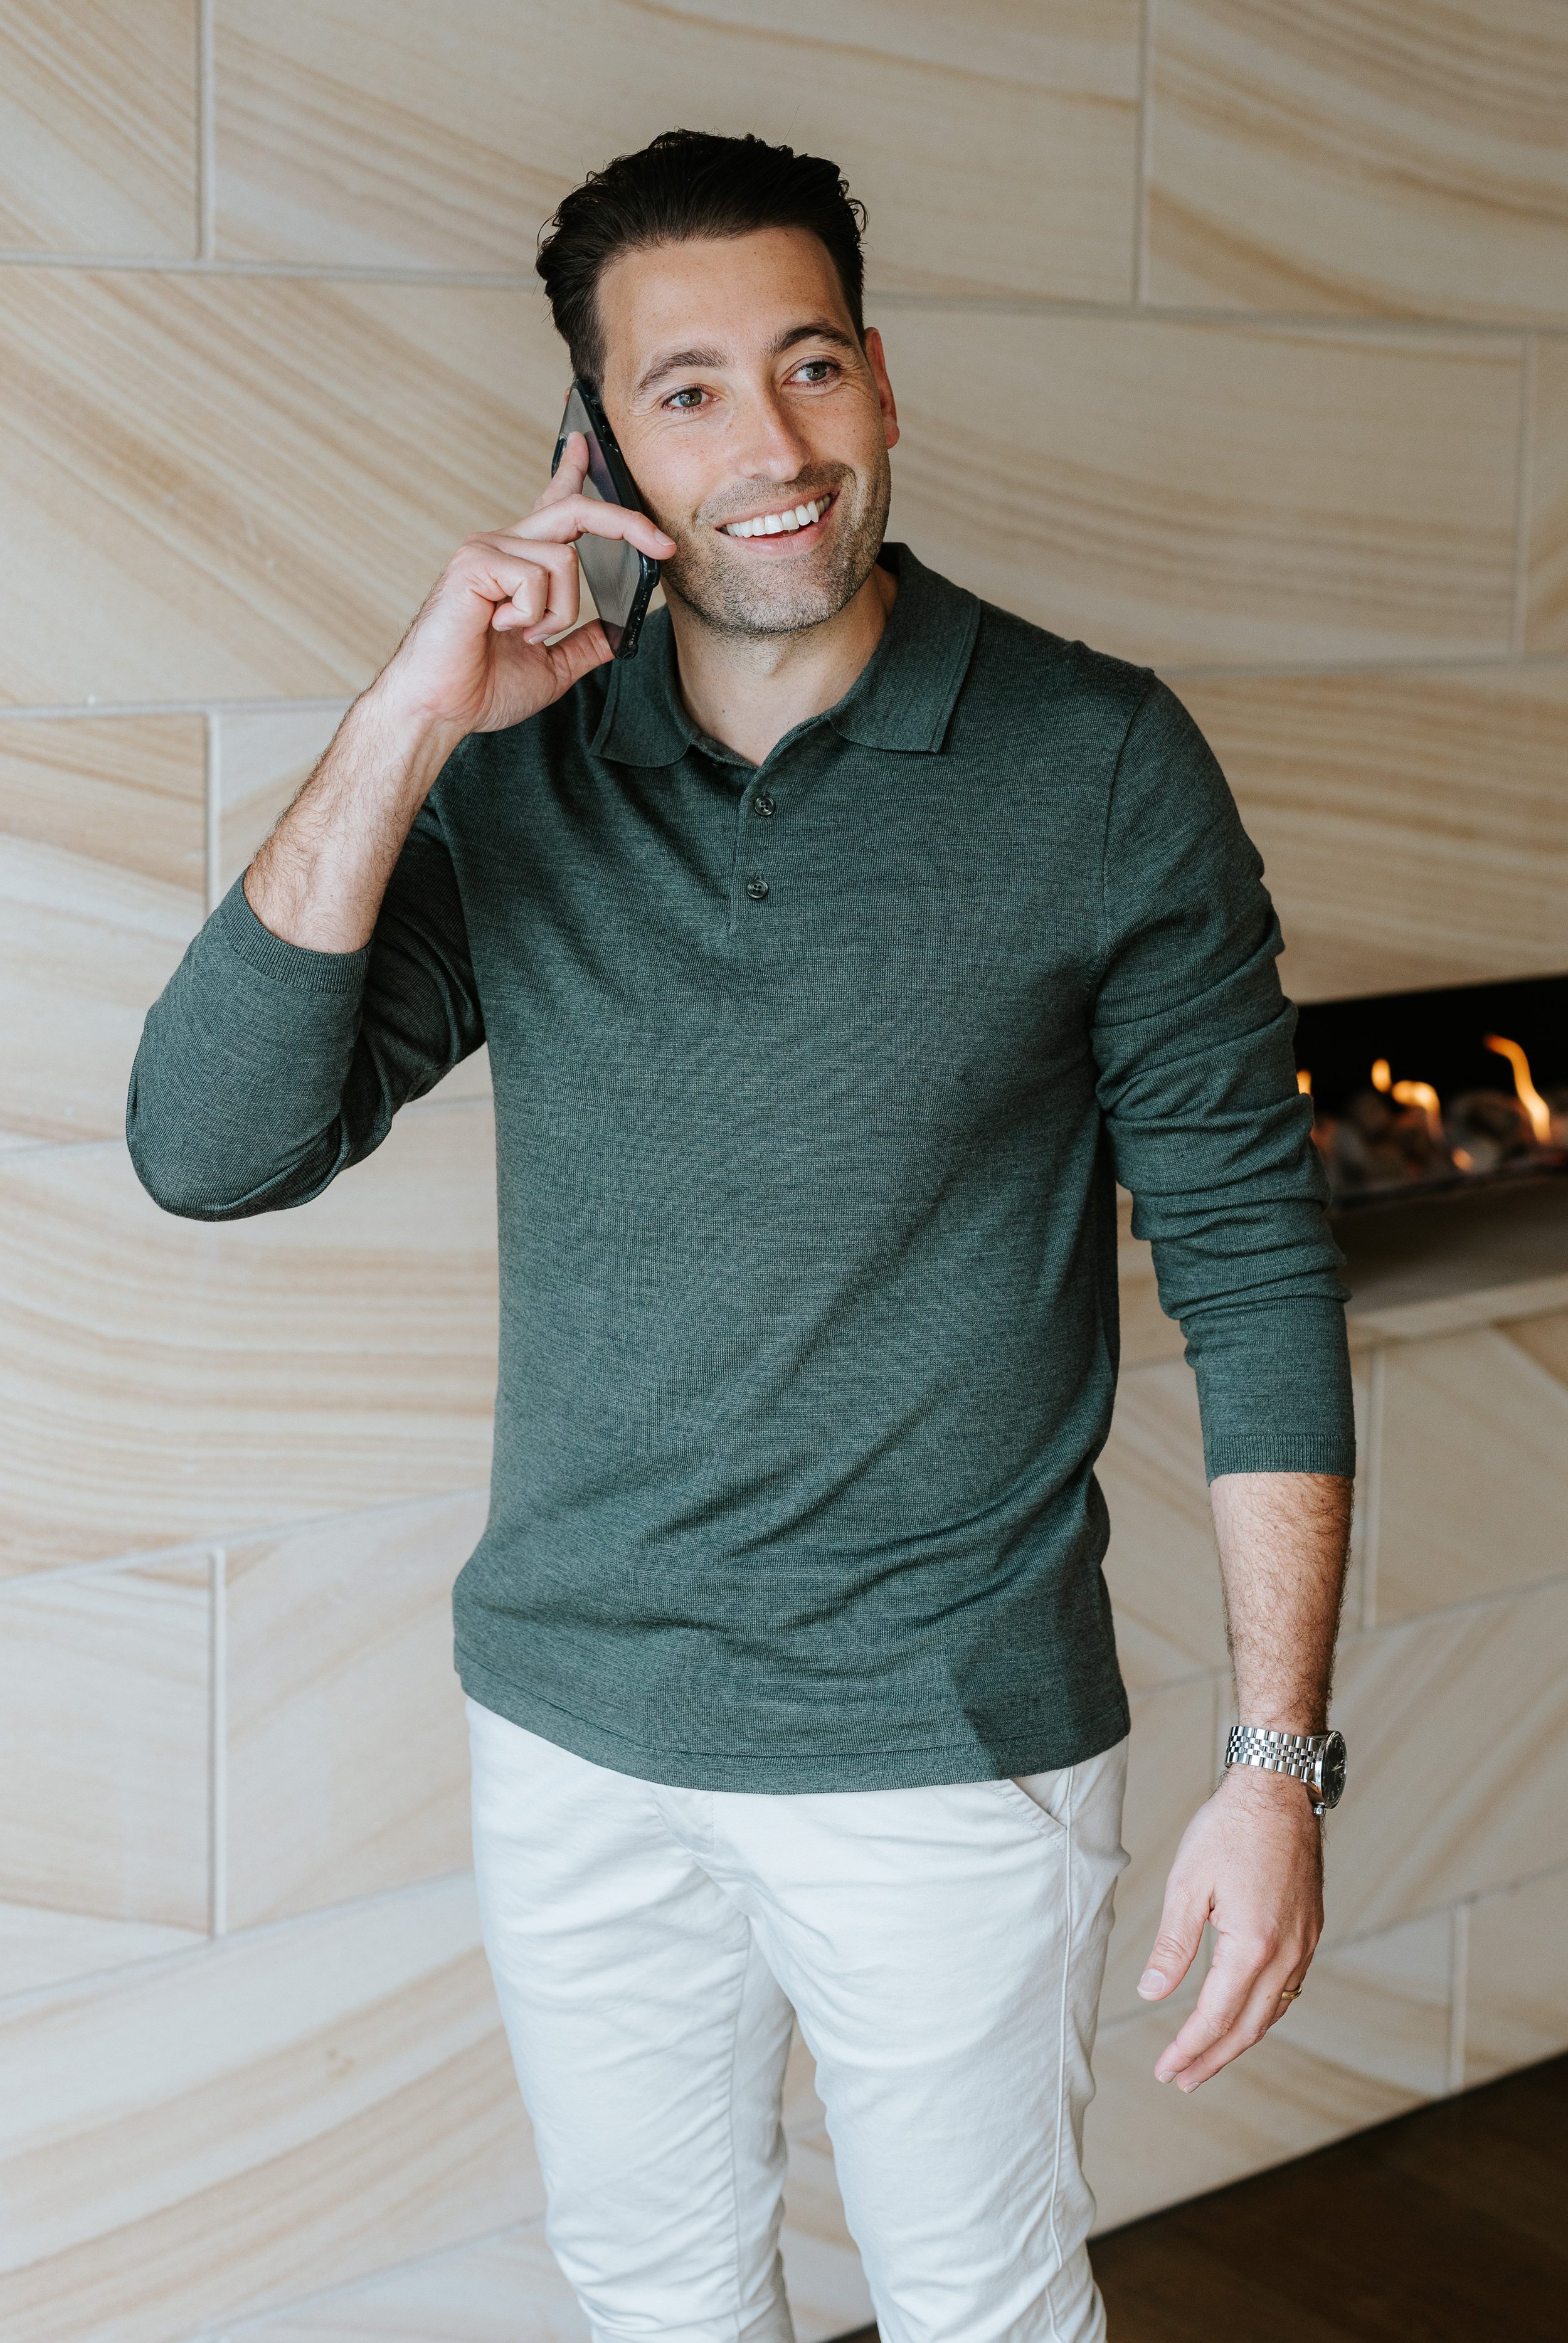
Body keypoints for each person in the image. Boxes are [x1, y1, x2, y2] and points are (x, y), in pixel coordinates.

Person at [129, 129, 1355, 2343]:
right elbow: (212, 1146)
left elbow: (1256, 1264)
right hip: (572, 1723)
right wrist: (416, 711)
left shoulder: (1095, 764)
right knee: (652, 2299)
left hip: (938, 1744)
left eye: (808, 367)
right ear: (597, 447)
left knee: (976, 2301)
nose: (770, 447)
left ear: (881, 379)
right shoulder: (525, 771)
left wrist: (1275, 1771)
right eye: (688, 392)